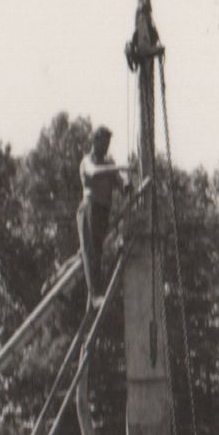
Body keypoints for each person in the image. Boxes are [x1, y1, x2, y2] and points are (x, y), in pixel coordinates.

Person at [77, 125, 129, 309]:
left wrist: (127, 182)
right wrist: (119, 167)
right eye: (104, 143)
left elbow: (121, 185)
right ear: (95, 141)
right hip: (89, 209)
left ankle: (92, 299)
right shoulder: (87, 161)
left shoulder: (109, 163)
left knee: (97, 253)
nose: (106, 147)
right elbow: (94, 172)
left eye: (108, 144)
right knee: (91, 253)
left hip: (103, 211)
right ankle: (94, 295)